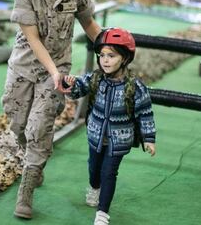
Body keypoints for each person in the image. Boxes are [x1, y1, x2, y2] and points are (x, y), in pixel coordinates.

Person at [1, 0, 102, 220]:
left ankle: (27, 188)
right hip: (24, 66)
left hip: (57, 70)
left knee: (39, 127)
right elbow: (32, 38)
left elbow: (90, 24)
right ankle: (33, 156)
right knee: (17, 122)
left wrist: (110, 49)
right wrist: (53, 70)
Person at [63, 28, 156, 225]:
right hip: (96, 136)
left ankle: (102, 214)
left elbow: (145, 113)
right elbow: (78, 89)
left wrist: (149, 139)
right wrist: (70, 85)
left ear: (125, 58)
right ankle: (94, 188)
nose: (105, 60)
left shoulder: (135, 87)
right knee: (94, 169)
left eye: (111, 56)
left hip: (119, 140)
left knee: (109, 173)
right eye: (102, 55)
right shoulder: (96, 78)